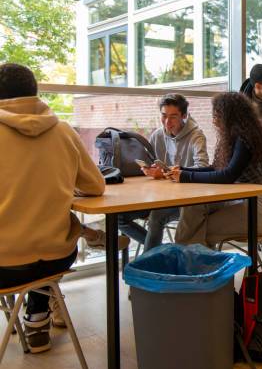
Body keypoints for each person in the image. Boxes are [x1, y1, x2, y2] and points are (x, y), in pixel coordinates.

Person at [0, 63, 106, 353]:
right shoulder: (63, 130)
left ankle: (22, 314)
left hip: (4, 266)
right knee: (46, 239)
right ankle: (37, 318)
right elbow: (96, 187)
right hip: (56, 256)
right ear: (35, 93)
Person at [168, 92, 262, 247]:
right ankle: (191, 263)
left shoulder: (245, 139)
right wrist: (182, 170)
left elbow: (228, 175)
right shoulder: (239, 136)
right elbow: (217, 169)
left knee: (199, 228)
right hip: (249, 200)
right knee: (193, 207)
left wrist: (185, 176)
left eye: (217, 115)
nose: (214, 120)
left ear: (229, 116)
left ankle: (194, 265)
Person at [118, 94, 209, 251]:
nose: (168, 122)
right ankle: (161, 250)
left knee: (156, 217)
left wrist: (166, 174)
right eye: (164, 116)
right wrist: (150, 170)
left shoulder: (196, 135)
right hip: (160, 197)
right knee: (118, 217)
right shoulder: (157, 135)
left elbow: (203, 167)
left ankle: (148, 266)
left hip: (187, 201)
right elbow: (154, 164)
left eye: (173, 117)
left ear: (184, 116)